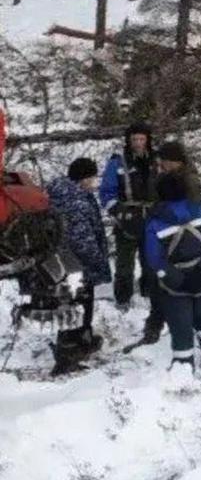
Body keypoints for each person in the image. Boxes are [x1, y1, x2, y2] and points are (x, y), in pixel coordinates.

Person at [144, 172, 201, 376]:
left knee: (180, 324)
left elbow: (154, 258)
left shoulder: (155, 223)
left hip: (174, 284)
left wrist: (177, 280)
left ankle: (183, 368)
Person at [99, 121, 164, 341]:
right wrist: (119, 211)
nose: (137, 142)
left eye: (141, 138)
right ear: (128, 140)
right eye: (134, 139)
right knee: (124, 264)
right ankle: (123, 299)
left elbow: (167, 186)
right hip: (127, 219)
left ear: (147, 139)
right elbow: (106, 192)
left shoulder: (157, 160)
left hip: (152, 219)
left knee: (151, 261)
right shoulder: (118, 162)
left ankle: (148, 293)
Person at [46, 157, 111, 370]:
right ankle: (70, 353)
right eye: (92, 177)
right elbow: (82, 240)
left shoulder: (62, 194)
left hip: (61, 264)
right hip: (78, 265)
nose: (95, 182)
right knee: (80, 305)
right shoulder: (77, 202)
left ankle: (76, 343)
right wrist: (98, 260)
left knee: (69, 303)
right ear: (84, 178)